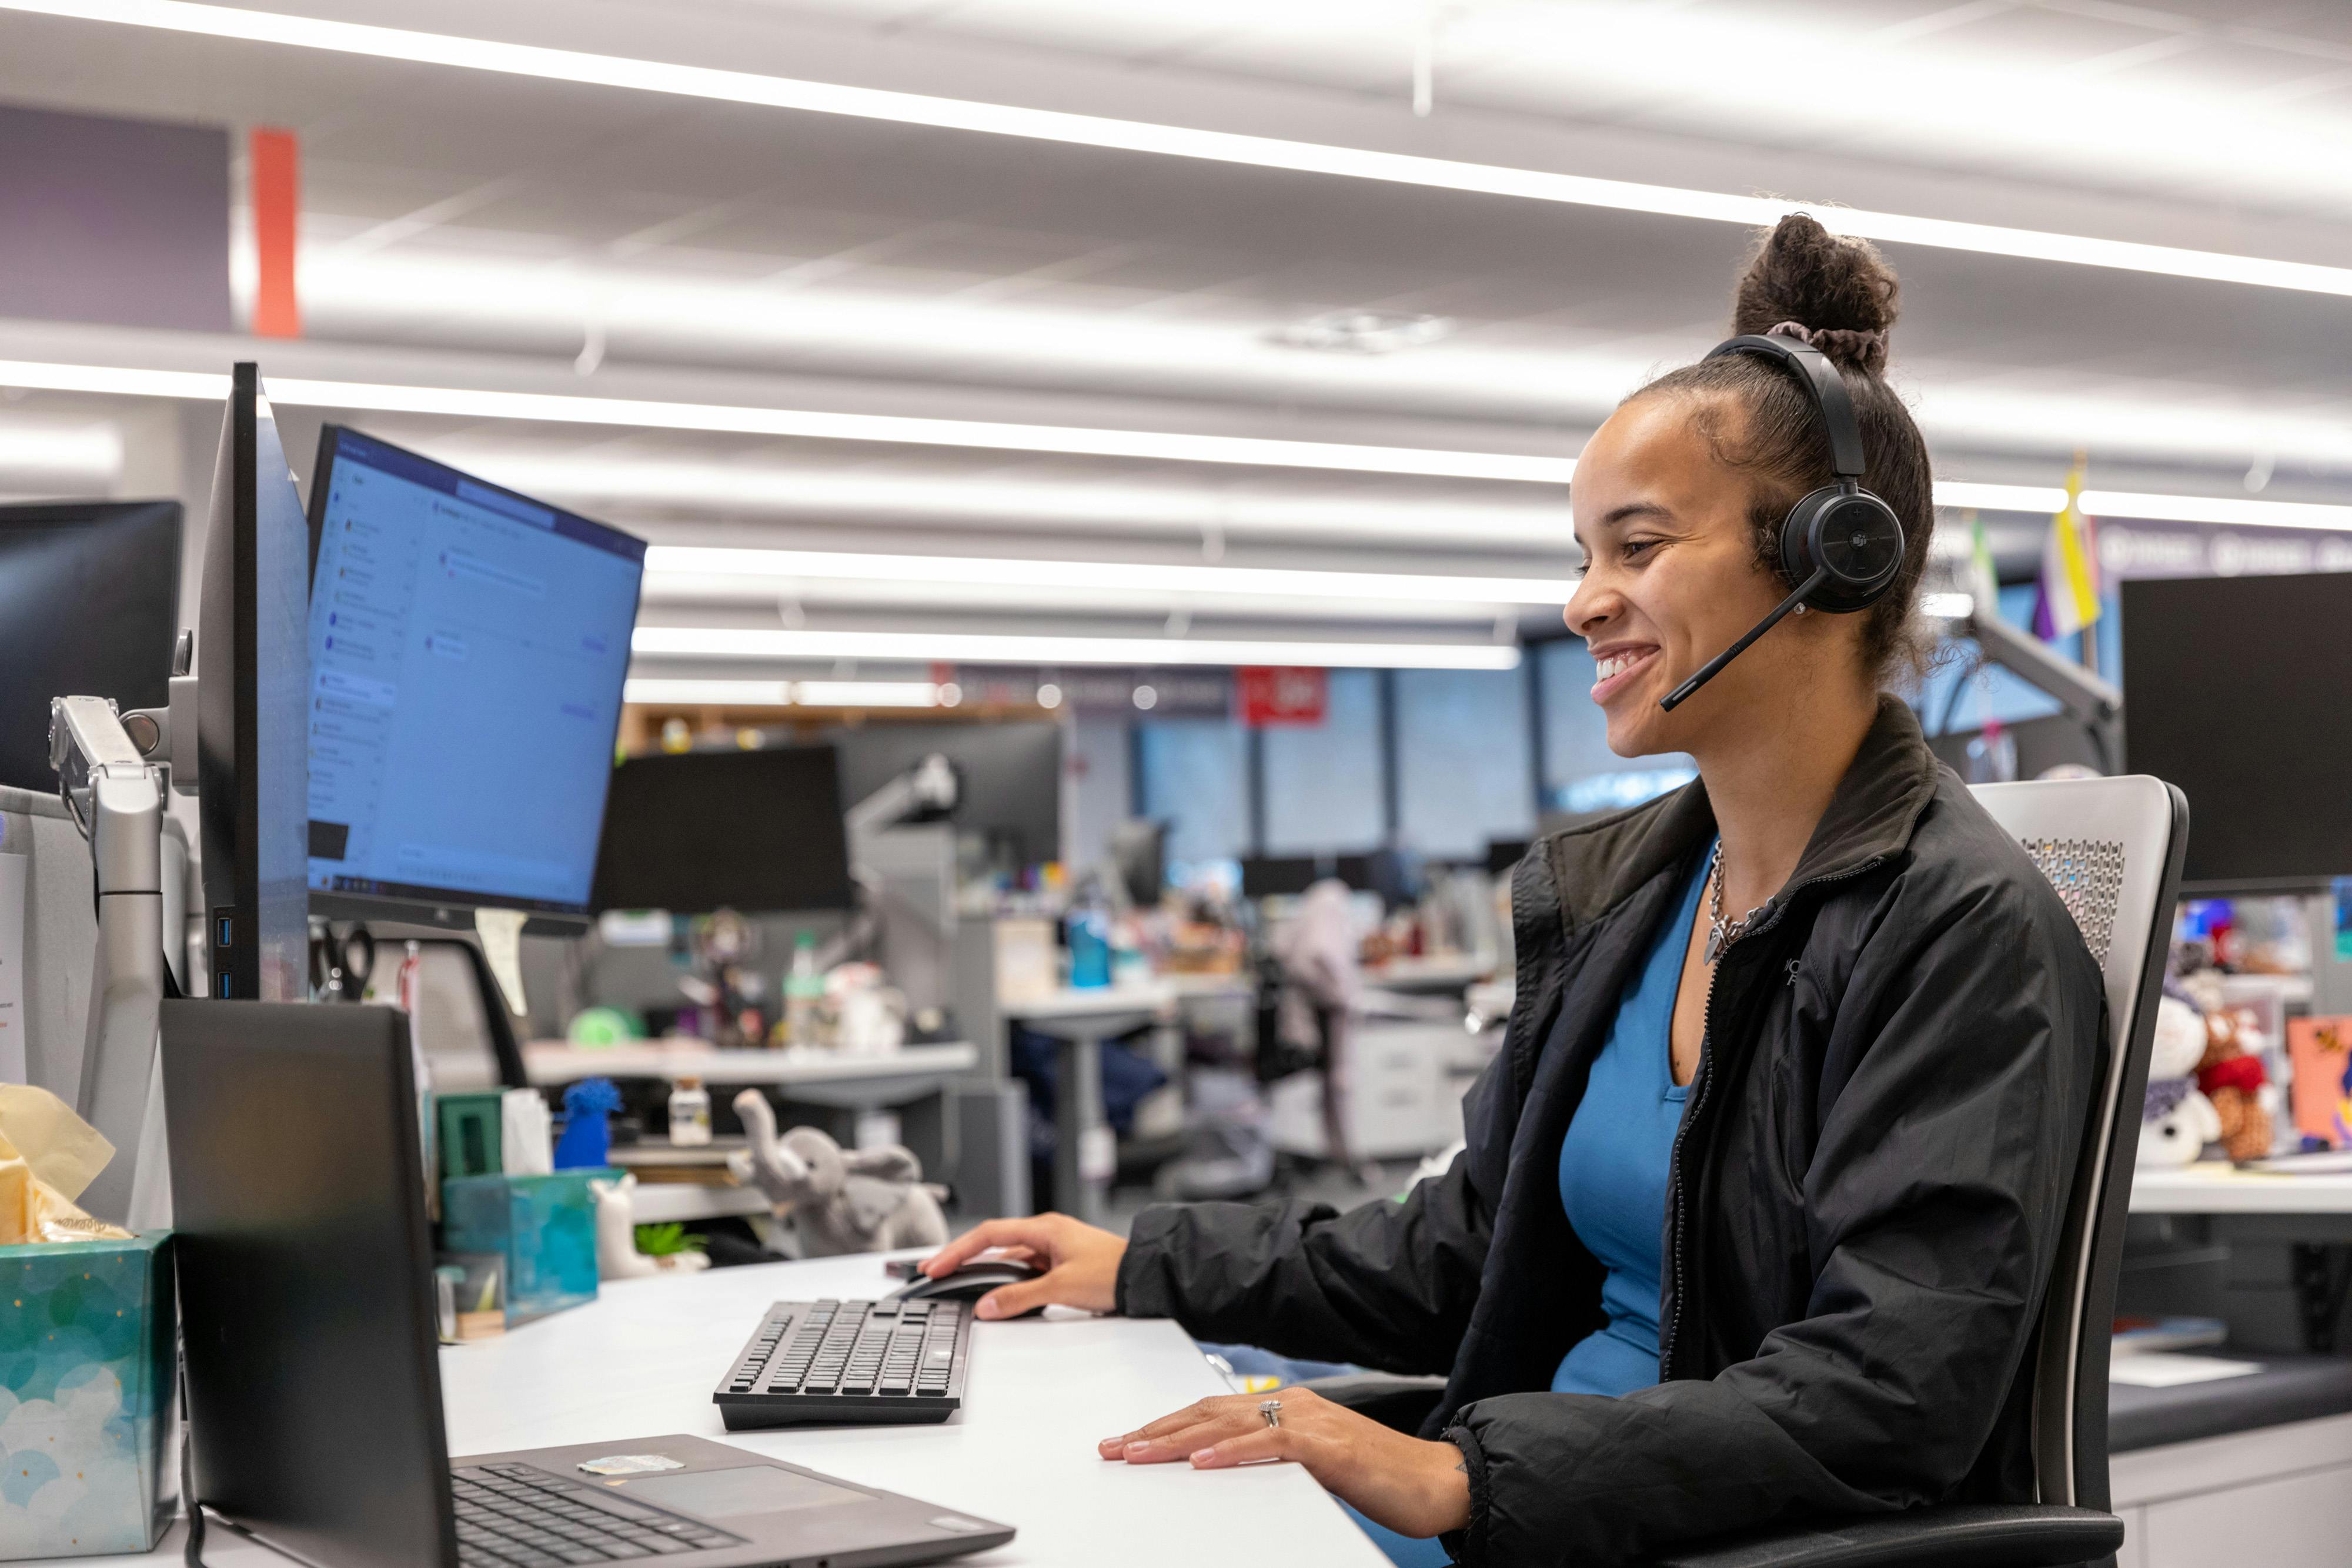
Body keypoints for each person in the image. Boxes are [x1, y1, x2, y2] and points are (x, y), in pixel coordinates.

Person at [921, 213, 2105, 1567]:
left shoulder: (1956, 923)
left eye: (1637, 547)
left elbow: (1885, 1391)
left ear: (1832, 558)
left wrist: (1456, 1476)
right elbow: (1468, 1244)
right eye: (1581, 556)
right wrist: (1147, 1262)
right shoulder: (1642, 891)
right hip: (1538, 1497)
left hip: (1653, 1529)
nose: (1582, 603)